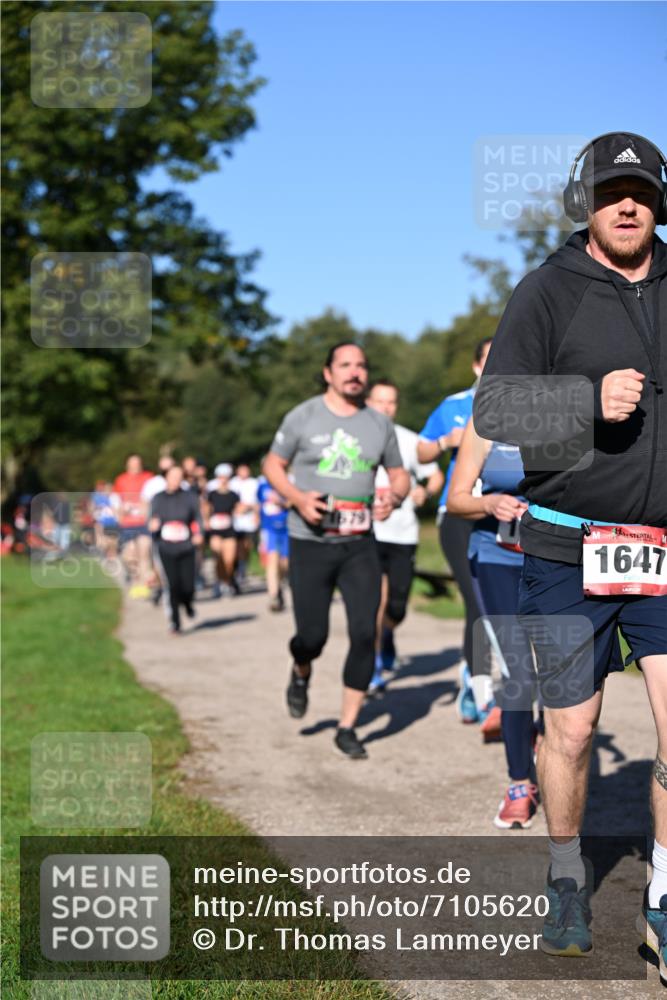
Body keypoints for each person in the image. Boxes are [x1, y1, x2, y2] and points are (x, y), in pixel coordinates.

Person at [473, 132, 667, 961]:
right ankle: (563, 877)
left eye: (641, 192)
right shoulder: (546, 289)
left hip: (663, 551)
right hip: (564, 549)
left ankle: (662, 894)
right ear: (583, 203)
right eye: (609, 192)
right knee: (574, 731)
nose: (626, 205)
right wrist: (585, 398)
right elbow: (494, 412)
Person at [263, 342, 409, 759]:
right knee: (312, 636)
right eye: (345, 365)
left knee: (365, 633)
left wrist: (394, 496)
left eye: (361, 365)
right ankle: (301, 669)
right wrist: (296, 497)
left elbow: (399, 475)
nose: (354, 372)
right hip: (310, 542)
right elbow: (272, 464)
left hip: (360, 543)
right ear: (328, 373)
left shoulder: (378, 424)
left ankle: (347, 727)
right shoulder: (303, 415)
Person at [447, 422, 540, 829]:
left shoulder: (571, 416)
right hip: (497, 557)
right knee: (519, 673)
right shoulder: (484, 424)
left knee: (563, 672)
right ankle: (520, 783)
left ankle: (548, 744)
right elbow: (456, 500)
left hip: (558, 561)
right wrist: (490, 503)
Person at [417, 339, 496, 730]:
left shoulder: (525, 404)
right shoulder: (453, 406)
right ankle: (480, 689)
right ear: (476, 367)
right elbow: (420, 452)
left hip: (501, 515)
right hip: (459, 515)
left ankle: (477, 675)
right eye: (491, 359)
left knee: (499, 604)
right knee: (477, 599)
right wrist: (445, 442)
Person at [365, 379, 443, 692]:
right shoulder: (355, 438)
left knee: (396, 607)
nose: (385, 408)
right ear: (368, 402)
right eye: (379, 401)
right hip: (368, 533)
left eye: (391, 402)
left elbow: (435, 476)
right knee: (374, 601)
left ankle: (387, 633)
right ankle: (372, 666)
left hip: (403, 534)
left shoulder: (410, 441)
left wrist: (425, 491)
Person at [149, 465, 203, 634]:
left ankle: (187, 603)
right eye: (173, 476)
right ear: (166, 477)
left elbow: (198, 518)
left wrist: (199, 534)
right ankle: (175, 622)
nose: (176, 480)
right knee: (172, 585)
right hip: (166, 547)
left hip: (186, 546)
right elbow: (152, 519)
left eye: (179, 476)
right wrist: (153, 525)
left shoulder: (190, 497)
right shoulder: (158, 498)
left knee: (188, 586)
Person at [112, 454, 153, 598]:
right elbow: (115, 501)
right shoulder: (121, 480)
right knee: (130, 554)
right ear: (127, 465)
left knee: (144, 551)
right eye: (133, 464)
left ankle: (143, 584)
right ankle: (135, 580)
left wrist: (148, 510)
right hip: (127, 523)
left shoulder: (149, 477)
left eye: (138, 463)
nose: (135, 466)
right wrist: (119, 513)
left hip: (144, 522)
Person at [257, 472, 290, 612]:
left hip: (286, 528)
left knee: (285, 563)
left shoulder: (288, 484)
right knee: (272, 561)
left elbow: (294, 503)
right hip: (269, 529)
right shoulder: (262, 486)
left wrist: (281, 502)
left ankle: (279, 584)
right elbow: (258, 505)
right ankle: (274, 595)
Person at [206, 464, 241, 598]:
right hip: (215, 530)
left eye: (225, 477)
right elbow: (206, 509)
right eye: (221, 477)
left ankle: (227, 581)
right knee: (218, 558)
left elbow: (238, 509)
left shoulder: (233, 495)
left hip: (229, 529)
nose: (223, 479)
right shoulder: (212, 494)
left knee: (229, 560)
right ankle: (219, 582)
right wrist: (206, 520)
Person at [230, 463, 259, 586]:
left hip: (250, 520)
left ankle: (243, 568)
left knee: (247, 545)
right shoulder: (232, 483)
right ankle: (238, 570)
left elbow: (258, 501)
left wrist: (252, 509)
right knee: (237, 546)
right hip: (236, 521)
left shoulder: (254, 483)